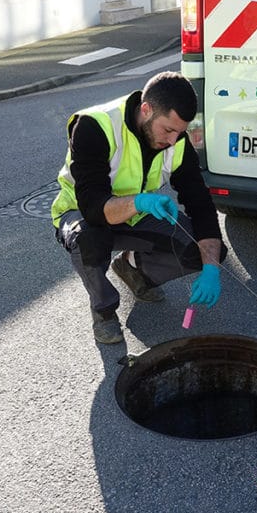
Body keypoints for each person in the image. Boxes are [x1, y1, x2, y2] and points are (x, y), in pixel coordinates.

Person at [51, 71, 227, 344]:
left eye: (179, 132)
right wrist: (141, 201)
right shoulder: (94, 126)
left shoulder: (177, 140)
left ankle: (133, 269)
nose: (172, 141)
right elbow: (94, 207)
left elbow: (201, 205)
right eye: (168, 130)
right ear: (146, 110)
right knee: (90, 239)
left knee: (203, 249)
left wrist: (212, 268)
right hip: (83, 215)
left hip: (134, 217)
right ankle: (104, 311)